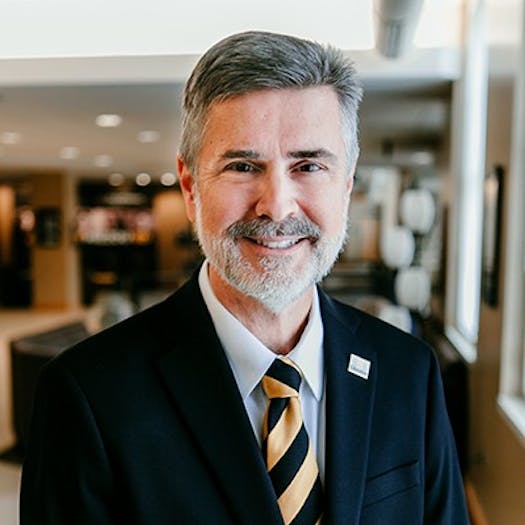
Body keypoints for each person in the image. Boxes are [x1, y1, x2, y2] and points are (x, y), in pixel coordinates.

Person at [20, 31, 469, 524]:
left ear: (345, 184)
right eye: (242, 165)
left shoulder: (408, 372)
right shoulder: (89, 394)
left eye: (308, 165)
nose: (276, 206)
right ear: (191, 187)